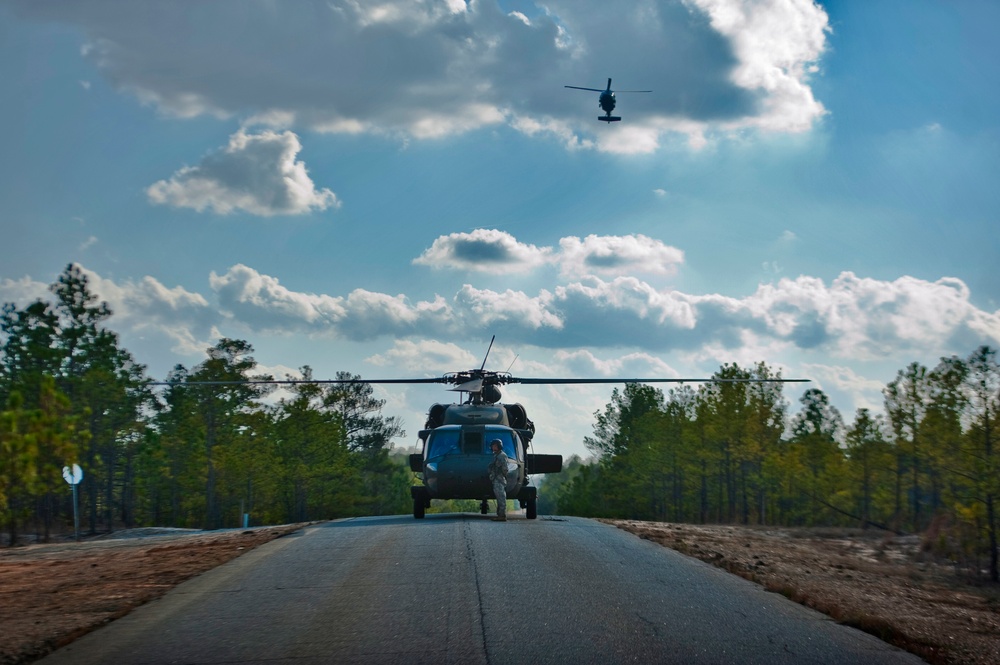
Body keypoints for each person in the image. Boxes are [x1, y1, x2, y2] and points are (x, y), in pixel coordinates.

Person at [488, 439, 509, 521]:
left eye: (495, 446)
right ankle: (499, 514)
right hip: (496, 479)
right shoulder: (496, 455)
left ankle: (502, 516)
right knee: (498, 496)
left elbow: (505, 469)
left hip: (499, 479)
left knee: (501, 497)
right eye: (493, 446)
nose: (493, 447)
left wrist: (502, 476)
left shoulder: (502, 456)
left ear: (499, 446)